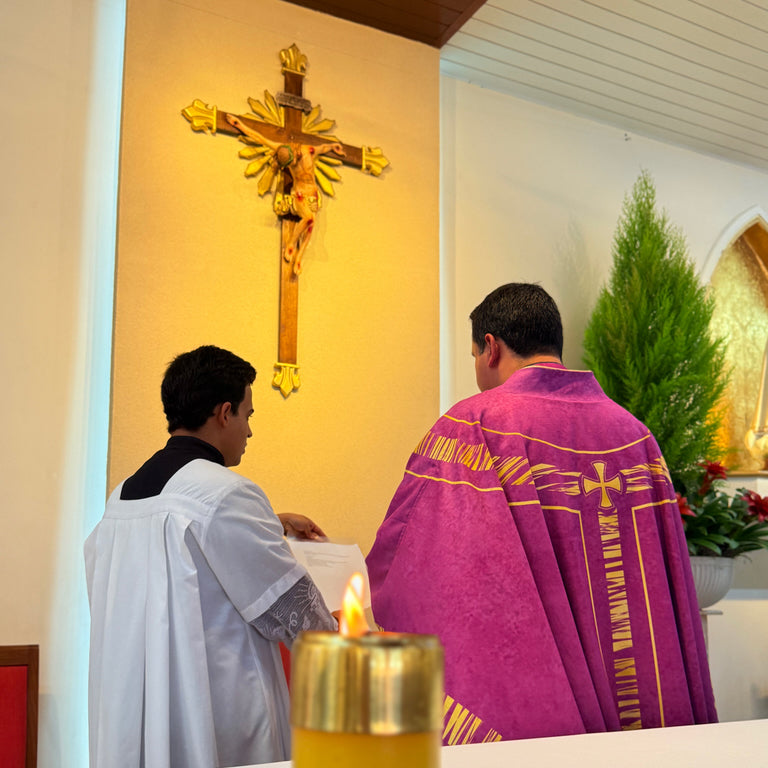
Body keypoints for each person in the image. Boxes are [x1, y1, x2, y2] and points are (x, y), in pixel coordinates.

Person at [366, 283, 717, 746]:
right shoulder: (635, 436)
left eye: (474, 355)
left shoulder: (473, 426)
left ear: (490, 347)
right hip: (638, 708)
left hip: (535, 727)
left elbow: (416, 556)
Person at [85, 345, 336, 768]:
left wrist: (271, 522)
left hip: (136, 714)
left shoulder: (123, 497)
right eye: (248, 415)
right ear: (224, 413)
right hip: (214, 717)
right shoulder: (227, 492)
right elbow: (297, 613)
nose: (250, 432)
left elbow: (181, 557)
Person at [226, 114, 345, 275]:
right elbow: (260, 138)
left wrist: (332, 146)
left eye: (293, 162)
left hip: (312, 191)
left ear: (294, 153)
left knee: (311, 224)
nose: (293, 166)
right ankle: (290, 244)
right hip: (299, 192)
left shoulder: (308, 151)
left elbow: (322, 148)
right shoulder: (281, 148)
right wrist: (238, 124)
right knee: (308, 217)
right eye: (289, 166)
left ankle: (299, 258)